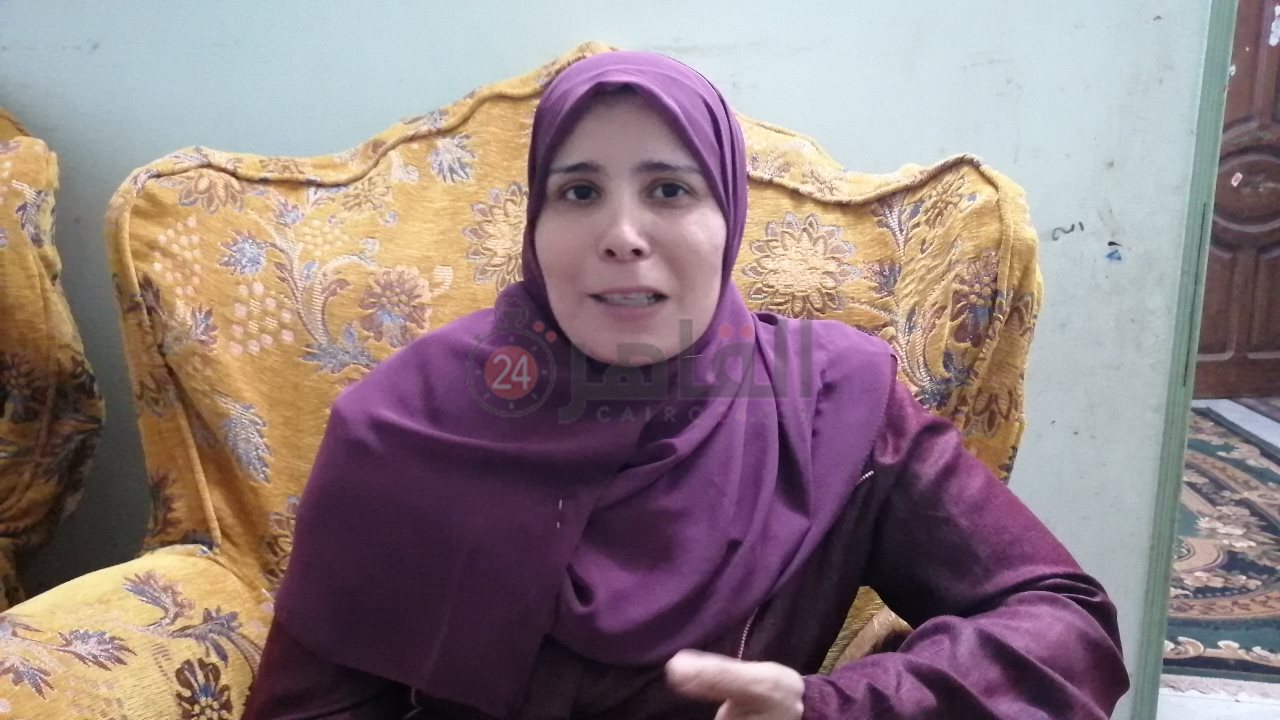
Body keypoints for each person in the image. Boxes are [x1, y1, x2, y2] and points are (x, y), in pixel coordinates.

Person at [242, 51, 1129, 719]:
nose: (622, 234)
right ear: (536, 225)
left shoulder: (829, 401)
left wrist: (829, 708)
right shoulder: (408, 424)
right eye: (579, 193)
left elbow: (1063, 623)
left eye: (669, 190)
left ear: (728, 219)